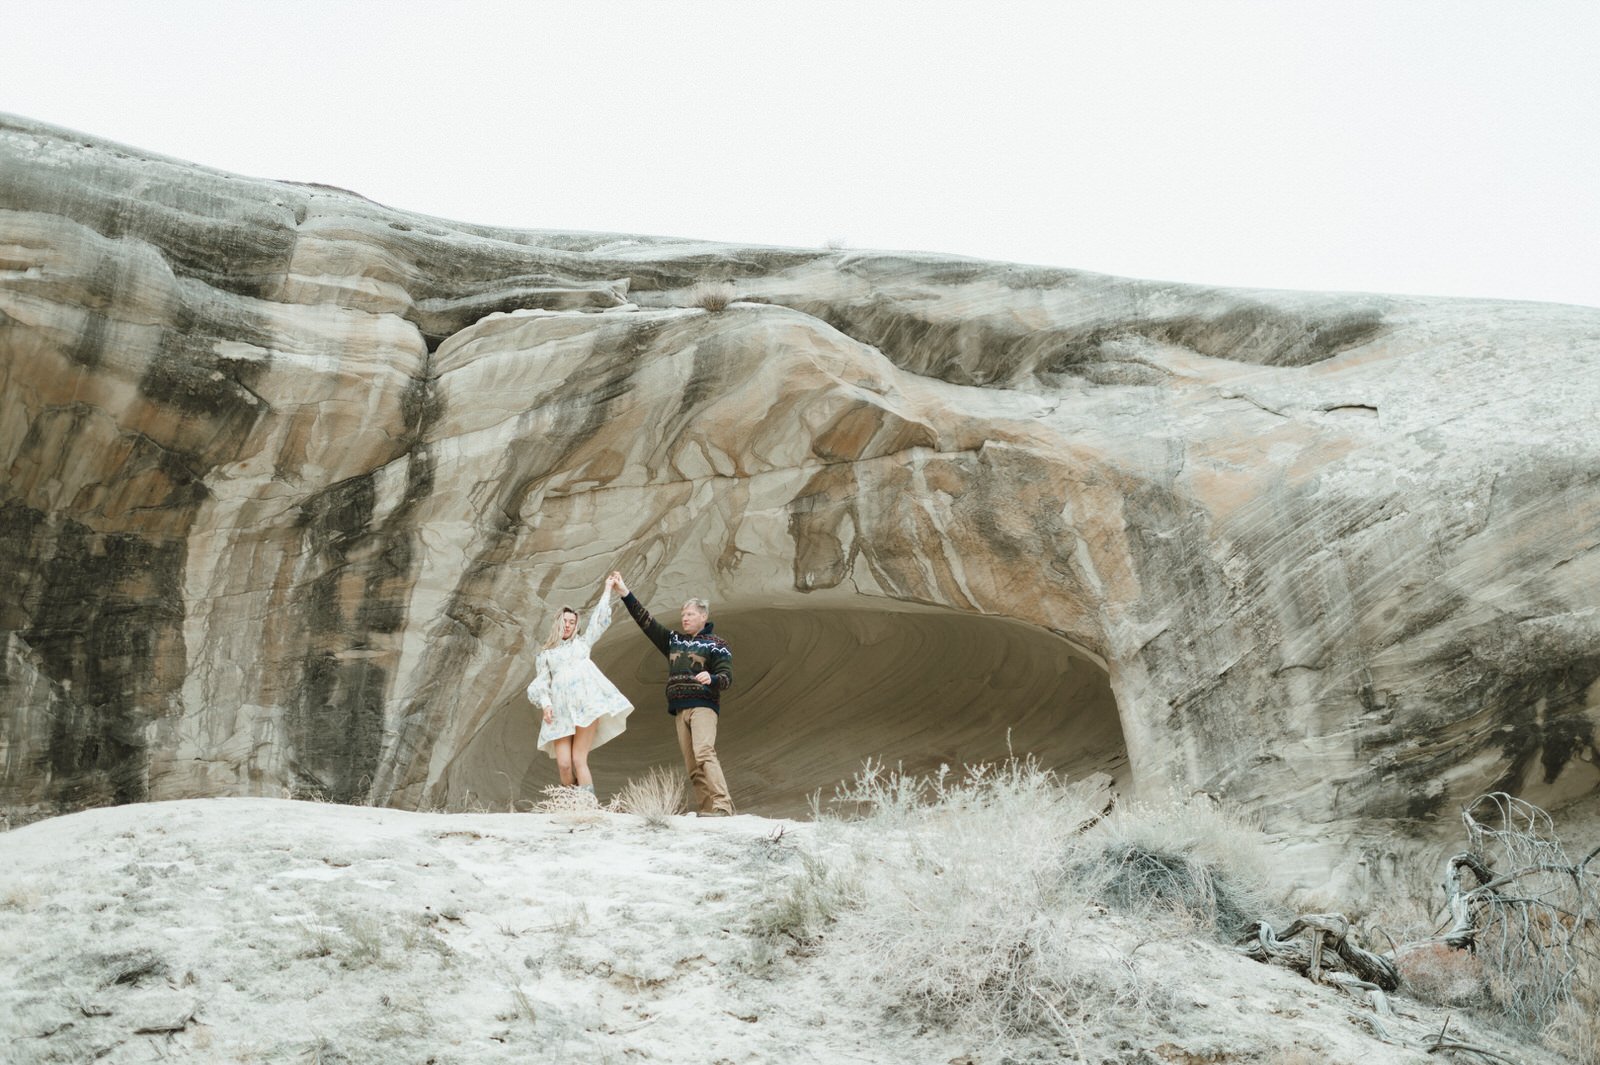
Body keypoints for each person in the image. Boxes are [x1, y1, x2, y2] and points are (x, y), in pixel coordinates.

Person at [608, 571, 734, 816]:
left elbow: (727, 677)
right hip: (680, 709)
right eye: (682, 615)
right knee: (692, 766)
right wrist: (624, 592)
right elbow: (647, 622)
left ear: (703, 616)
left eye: (689, 614)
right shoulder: (674, 641)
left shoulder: (717, 644)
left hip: (703, 706)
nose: (684, 618)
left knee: (705, 752)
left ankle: (723, 805)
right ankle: (708, 810)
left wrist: (713, 677)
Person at [526, 575, 634, 797]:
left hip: (586, 707)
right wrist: (546, 705)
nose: (568, 625)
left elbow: (598, 621)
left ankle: (587, 805)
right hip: (560, 712)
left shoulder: (582, 646)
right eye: (565, 621)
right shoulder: (546, 655)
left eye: (572, 622)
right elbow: (541, 684)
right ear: (558, 623)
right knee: (564, 765)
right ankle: (571, 802)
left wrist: (607, 590)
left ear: (576, 626)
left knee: (578, 759)